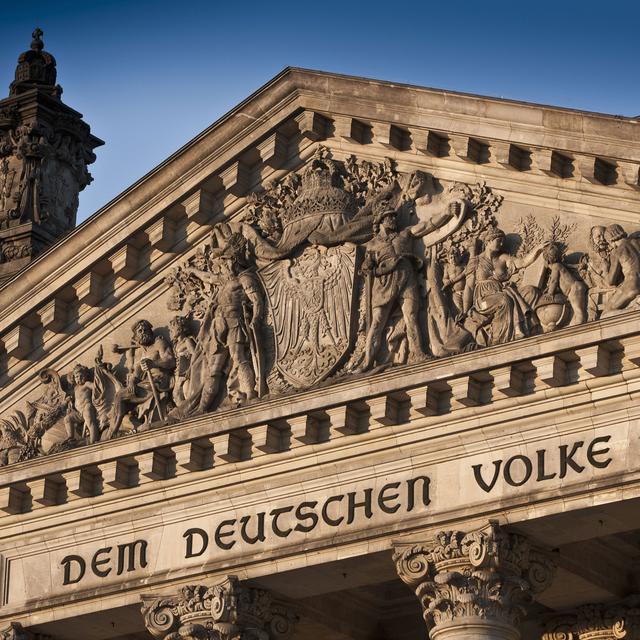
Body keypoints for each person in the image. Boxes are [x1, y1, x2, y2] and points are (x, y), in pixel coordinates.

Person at [359, 191, 466, 371]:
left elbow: (427, 226)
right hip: (384, 283)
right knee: (377, 322)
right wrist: (370, 266)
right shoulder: (372, 245)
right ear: (380, 222)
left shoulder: (405, 234)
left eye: (393, 216)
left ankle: (418, 352)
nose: (393, 219)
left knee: (411, 316)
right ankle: (367, 361)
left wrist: (446, 212)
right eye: (389, 217)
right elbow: (366, 268)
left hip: (407, 278)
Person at [464, 227, 545, 346]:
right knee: (504, 299)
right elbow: (469, 287)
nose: (501, 244)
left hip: (501, 292)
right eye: (499, 240)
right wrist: (465, 310)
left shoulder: (503, 258)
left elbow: (522, 262)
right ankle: (499, 339)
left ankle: (526, 328)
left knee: (530, 291)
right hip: (483, 300)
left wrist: (538, 249)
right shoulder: (476, 261)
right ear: (489, 241)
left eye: (502, 241)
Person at [106, 319, 175, 439]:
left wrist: (154, 363)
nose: (143, 332)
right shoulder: (143, 353)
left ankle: (113, 431)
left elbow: (170, 360)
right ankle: (116, 428)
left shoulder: (159, 343)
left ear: (150, 331)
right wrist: (132, 382)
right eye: (140, 331)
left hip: (160, 380)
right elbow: (136, 373)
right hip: (147, 383)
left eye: (145, 329)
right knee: (119, 397)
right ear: (136, 337)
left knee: (121, 396)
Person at [603, 223, 640, 313]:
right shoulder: (637, 241)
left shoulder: (617, 251)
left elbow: (611, 281)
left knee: (607, 312)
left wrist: (605, 268)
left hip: (632, 285)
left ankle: (634, 309)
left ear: (610, 240)